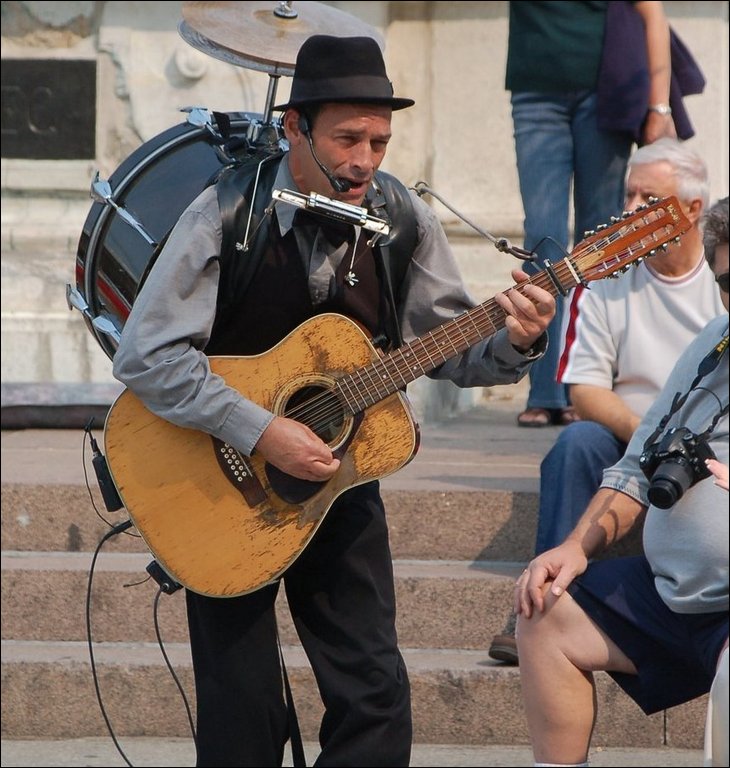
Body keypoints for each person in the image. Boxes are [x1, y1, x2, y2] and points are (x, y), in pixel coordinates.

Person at [111, 35, 556, 767]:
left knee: (375, 693)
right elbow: (148, 355)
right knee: (241, 708)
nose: (365, 161)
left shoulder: (404, 219)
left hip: (339, 482)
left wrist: (516, 341)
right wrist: (258, 430)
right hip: (215, 479)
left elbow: (451, 349)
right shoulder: (224, 213)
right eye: (347, 138)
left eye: (379, 141)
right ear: (294, 128)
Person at [488, 137, 725, 664]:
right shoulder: (605, 277)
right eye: (630, 195)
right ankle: (545, 597)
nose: (631, 211)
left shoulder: (722, 277)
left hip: (716, 446)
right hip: (631, 435)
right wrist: (655, 438)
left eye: (649, 199)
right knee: (576, 442)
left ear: (691, 210)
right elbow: (584, 391)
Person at [514, 195, 729, 767]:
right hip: (673, 594)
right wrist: (573, 548)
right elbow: (636, 464)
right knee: (545, 608)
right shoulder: (715, 340)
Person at [506, 0, 676, 428]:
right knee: (543, 236)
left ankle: (593, 389)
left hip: (608, 92)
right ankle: (546, 390)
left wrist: (660, 108)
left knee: (602, 246)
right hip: (536, 91)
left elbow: (652, 12)